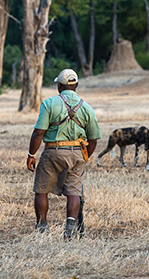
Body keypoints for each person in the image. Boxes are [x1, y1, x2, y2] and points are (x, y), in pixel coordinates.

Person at [27, 69, 101, 238]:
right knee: (74, 191)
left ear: (59, 86)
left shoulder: (49, 104)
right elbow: (94, 139)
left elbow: (38, 133)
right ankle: (71, 229)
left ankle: (42, 228)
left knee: (42, 189)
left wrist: (31, 155)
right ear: (76, 85)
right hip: (77, 152)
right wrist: (85, 156)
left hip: (53, 151)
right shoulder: (87, 108)